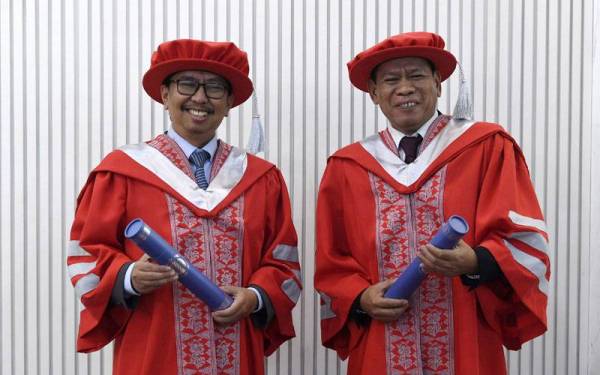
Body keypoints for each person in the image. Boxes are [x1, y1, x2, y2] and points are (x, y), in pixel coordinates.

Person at [314, 32, 549, 374]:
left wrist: (477, 260)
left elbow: (527, 241)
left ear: (439, 83)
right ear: (374, 93)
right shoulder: (346, 167)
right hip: (382, 343)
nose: (405, 88)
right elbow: (331, 262)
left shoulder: (485, 147)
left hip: (468, 339)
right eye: (391, 79)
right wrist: (361, 298)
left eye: (417, 75)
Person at [66, 39, 302, 375]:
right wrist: (129, 276)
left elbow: (283, 262)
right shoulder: (121, 172)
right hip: (152, 348)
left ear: (231, 101)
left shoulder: (261, 178)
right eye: (187, 84)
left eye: (215, 88)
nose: (200, 97)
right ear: (164, 94)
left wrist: (255, 295)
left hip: (235, 347)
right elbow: (86, 254)